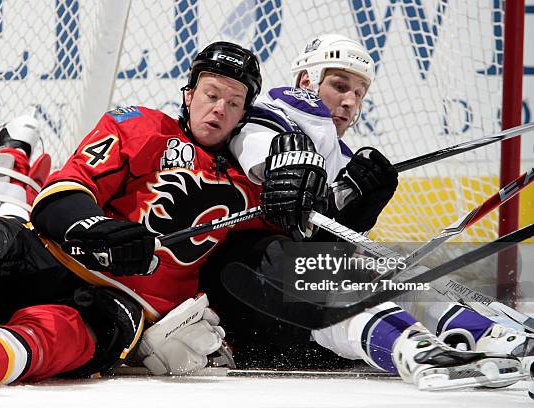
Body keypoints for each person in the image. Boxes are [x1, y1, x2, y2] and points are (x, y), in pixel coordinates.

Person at [0, 41, 268, 387]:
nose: (220, 109)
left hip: (120, 306)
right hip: (48, 252)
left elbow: (299, 244)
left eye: (233, 103)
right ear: (189, 95)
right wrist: (95, 229)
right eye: (211, 95)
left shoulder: (254, 184)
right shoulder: (142, 127)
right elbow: (60, 196)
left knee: (59, 332)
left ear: (243, 116)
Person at [200, 34, 528, 390]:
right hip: (245, 301)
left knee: (385, 269)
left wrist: (360, 206)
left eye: (359, 93)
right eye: (340, 86)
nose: (349, 101)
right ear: (306, 81)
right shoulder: (278, 113)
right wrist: (289, 168)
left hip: (296, 324)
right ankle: (413, 347)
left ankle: (489, 336)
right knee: (301, 264)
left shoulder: (337, 152)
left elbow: (323, 238)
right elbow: (261, 151)